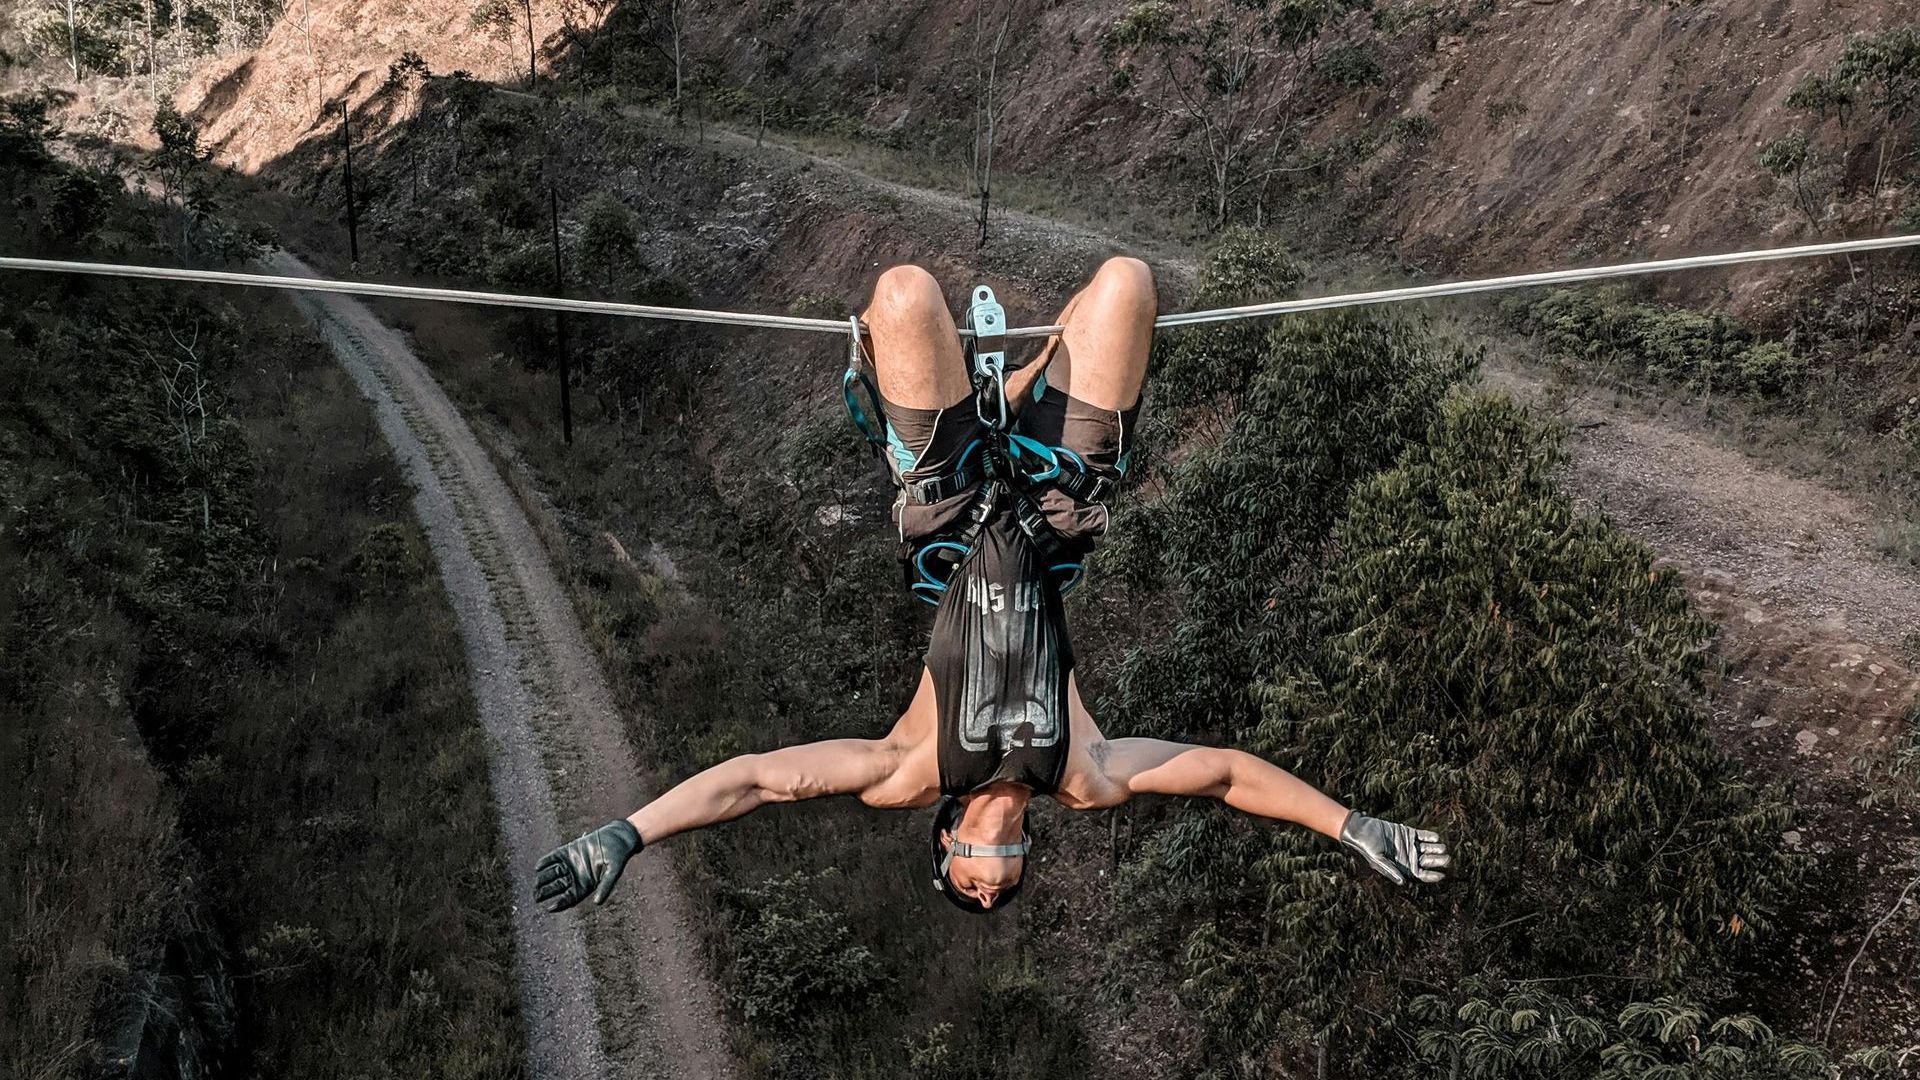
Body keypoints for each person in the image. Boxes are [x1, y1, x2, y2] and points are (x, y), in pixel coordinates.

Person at [534, 258, 1449, 915]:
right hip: (1057, 503)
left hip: (950, 506)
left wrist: (626, 833)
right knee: (1129, 283)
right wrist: (1351, 827)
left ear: (944, 839)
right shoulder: (1082, 776)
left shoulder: (909, 770)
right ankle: (1014, 390)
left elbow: (756, 783)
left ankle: (961, 402)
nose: (993, 874)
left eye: (970, 879)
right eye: (1000, 885)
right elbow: (1224, 774)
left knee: (903, 294)